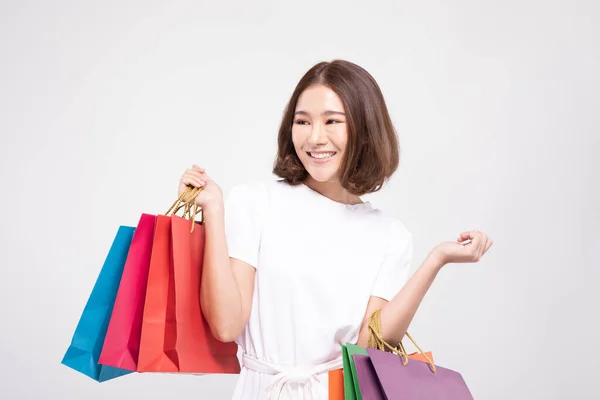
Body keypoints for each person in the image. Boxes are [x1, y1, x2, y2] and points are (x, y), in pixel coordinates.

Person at [177, 60, 493, 399]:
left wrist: (437, 259)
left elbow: (369, 350)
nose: (315, 138)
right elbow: (226, 326)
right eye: (303, 121)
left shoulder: (390, 236)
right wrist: (213, 209)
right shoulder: (254, 203)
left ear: (364, 128)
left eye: (332, 121)